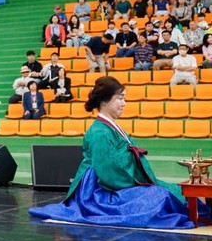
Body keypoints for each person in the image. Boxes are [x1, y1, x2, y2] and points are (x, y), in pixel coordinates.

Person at [30, 77, 198, 229]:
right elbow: (108, 173)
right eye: (120, 98)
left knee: (175, 189)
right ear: (104, 101)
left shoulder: (110, 126)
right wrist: (137, 184)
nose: (124, 103)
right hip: (101, 190)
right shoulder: (100, 133)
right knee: (160, 195)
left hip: (118, 181)